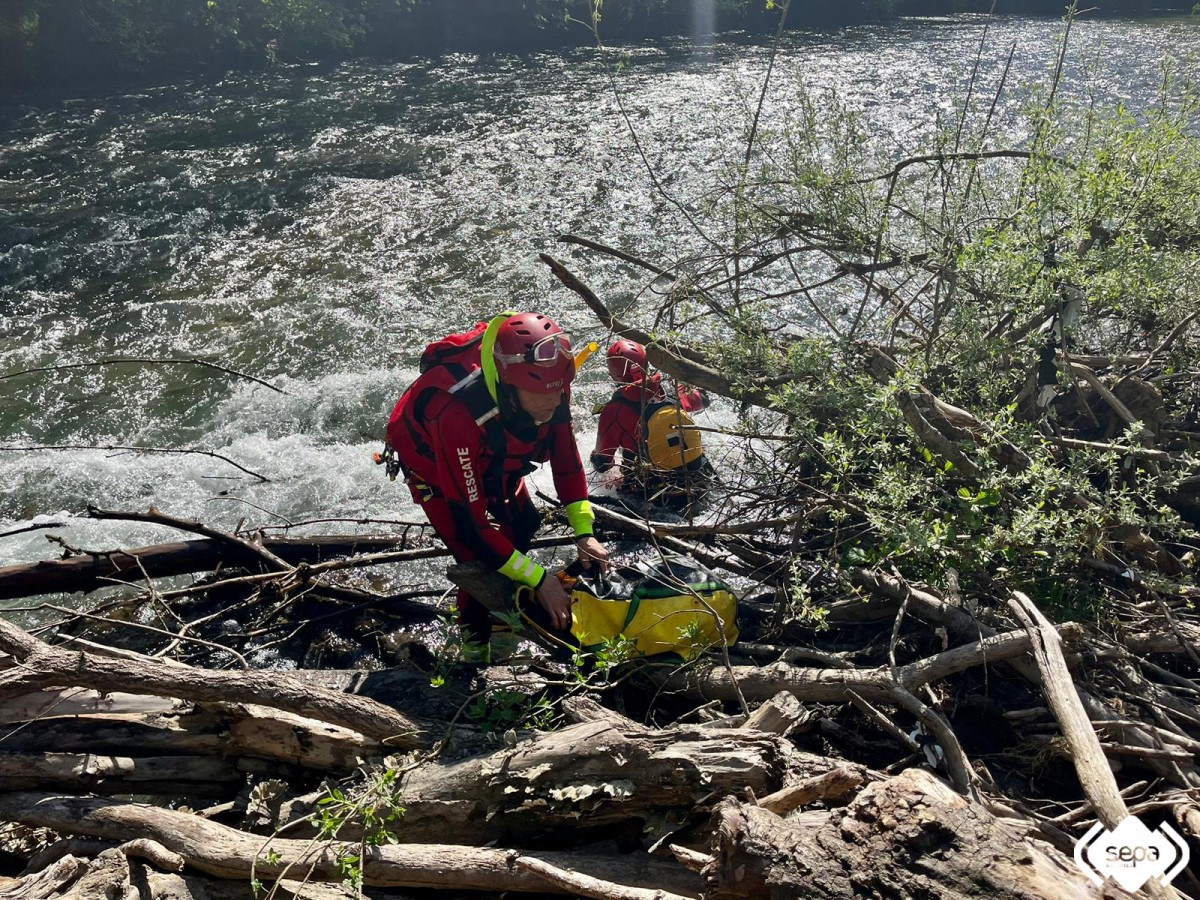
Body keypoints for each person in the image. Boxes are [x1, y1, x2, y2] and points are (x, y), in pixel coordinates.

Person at [386, 312, 609, 660]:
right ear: (509, 384)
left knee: (523, 524)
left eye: (559, 390)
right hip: (437, 471)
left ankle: (502, 623)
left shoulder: (551, 386)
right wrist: (539, 579)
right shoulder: (456, 411)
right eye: (542, 393)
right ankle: (474, 650)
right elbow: (473, 526)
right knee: (477, 558)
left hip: (492, 455)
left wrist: (585, 533)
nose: (554, 401)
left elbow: (568, 463)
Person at [590, 339, 711, 511]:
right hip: (699, 484)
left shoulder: (614, 411)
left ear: (613, 373)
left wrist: (595, 457)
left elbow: (602, 464)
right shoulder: (671, 388)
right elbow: (703, 400)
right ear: (647, 363)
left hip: (654, 498)